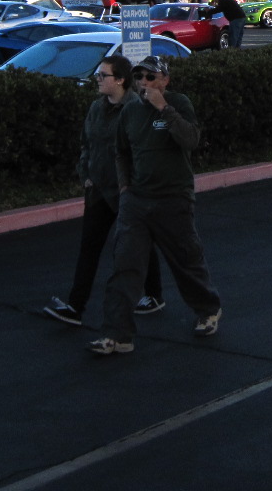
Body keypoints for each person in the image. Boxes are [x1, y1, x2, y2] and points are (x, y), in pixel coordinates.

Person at [91, 56, 221, 354]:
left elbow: (190, 139)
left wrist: (164, 108)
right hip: (137, 201)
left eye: (151, 77)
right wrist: (125, 188)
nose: (144, 83)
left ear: (165, 80)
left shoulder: (179, 103)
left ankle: (208, 309)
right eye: (139, 77)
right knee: (125, 264)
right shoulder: (130, 111)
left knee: (186, 261)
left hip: (173, 198)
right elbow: (121, 152)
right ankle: (117, 334)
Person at [44, 55, 163, 327]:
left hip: (126, 193)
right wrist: (86, 174)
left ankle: (154, 294)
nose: (97, 80)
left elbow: (142, 151)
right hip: (98, 191)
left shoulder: (136, 109)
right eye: (98, 75)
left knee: (139, 245)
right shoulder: (96, 108)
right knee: (89, 248)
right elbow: (87, 143)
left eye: (103, 75)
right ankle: (75, 306)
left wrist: (134, 186)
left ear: (120, 80)